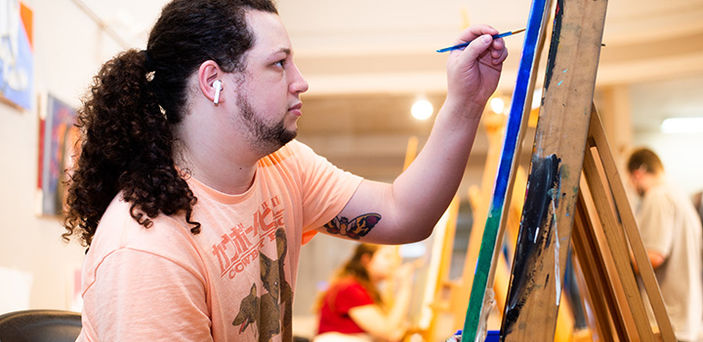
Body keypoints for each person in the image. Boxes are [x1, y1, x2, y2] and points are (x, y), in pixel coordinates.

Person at [62, 0, 508, 340]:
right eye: (279, 63)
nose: (301, 80)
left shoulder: (282, 166)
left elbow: (404, 213)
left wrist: (466, 103)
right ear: (213, 81)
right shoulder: (147, 250)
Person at [627, 147, 703, 342]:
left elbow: (653, 256)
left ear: (638, 173)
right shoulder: (677, 194)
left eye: (630, 180)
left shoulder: (658, 196)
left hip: (669, 320)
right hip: (685, 316)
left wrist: (619, 261)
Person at [314, 244, 416, 342]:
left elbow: (390, 335)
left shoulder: (364, 290)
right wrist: (405, 287)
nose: (394, 263)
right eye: (387, 257)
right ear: (367, 260)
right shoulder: (350, 289)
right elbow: (386, 332)